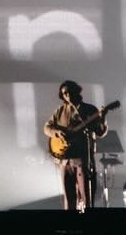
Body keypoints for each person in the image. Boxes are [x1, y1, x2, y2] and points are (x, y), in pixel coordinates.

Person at [43, 80, 108, 212]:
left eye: (70, 91)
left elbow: (100, 132)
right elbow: (46, 128)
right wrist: (57, 133)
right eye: (64, 93)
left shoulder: (90, 110)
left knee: (87, 198)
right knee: (69, 198)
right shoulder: (60, 111)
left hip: (83, 159)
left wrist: (102, 119)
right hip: (64, 161)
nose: (67, 95)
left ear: (77, 91)